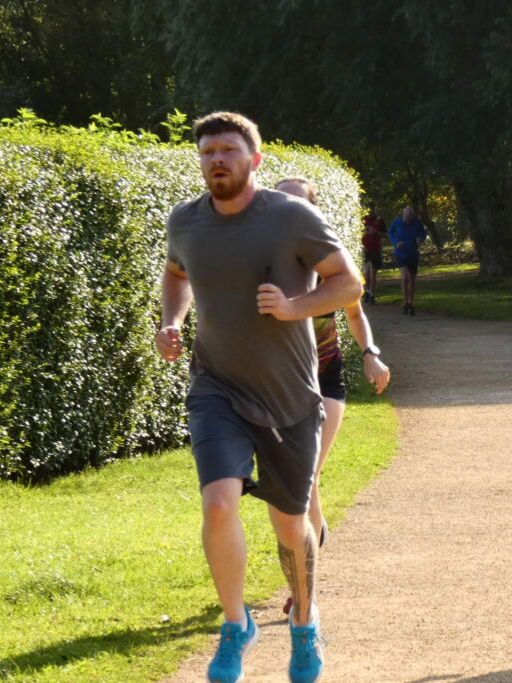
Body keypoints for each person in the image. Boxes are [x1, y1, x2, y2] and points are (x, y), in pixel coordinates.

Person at [156, 112, 362, 683]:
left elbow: (349, 283)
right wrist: (173, 319)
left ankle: (303, 626)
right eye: (206, 152)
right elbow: (177, 274)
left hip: (290, 397)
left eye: (226, 149)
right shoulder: (186, 222)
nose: (215, 160)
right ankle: (235, 624)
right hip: (216, 386)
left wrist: (296, 308)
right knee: (219, 503)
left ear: (255, 159)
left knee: (290, 524)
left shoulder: (292, 217)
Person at [275, 177, 392, 616]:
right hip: (279, 384)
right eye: (278, 197)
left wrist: (370, 354)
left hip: (325, 380)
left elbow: (356, 312)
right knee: (295, 486)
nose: (284, 206)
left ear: (311, 210)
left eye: (294, 200)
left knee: (304, 479)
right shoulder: (262, 258)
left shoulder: (331, 261)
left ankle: (304, 588)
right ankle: (309, 562)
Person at [387, 206, 427, 315]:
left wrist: (420, 239)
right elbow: (390, 232)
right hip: (400, 254)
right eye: (406, 216)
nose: (408, 219)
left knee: (412, 280)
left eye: (410, 216)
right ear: (403, 215)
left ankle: (411, 302)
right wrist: (396, 242)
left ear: (413, 216)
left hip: (413, 254)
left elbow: (423, 233)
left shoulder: (417, 223)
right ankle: (405, 301)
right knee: (405, 277)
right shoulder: (397, 222)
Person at [361, 209, 386, 303]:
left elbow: (385, 235)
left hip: (375, 249)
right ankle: (367, 292)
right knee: (366, 272)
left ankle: (371, 293)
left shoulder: (380, 221)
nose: (371, 212)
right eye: (370, 210)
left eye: (373, 210)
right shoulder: (363, 219)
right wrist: (365, 231)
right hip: (365, 248)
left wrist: (376, 232)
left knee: (373, 272)